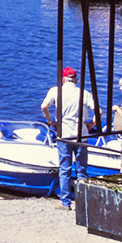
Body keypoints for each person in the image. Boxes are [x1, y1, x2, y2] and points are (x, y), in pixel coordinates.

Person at [40, 66, 98, 208]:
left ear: (63, 80)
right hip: (81, 135)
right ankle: (82, 202)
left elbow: (44, 106)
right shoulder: (84, 93)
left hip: (64, 134)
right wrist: (92, 124)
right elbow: (99, 111)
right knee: (82, 170)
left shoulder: (55, 91)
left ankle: (65, 202)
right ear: (76, 80)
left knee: (65, 169)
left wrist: (50, 122)